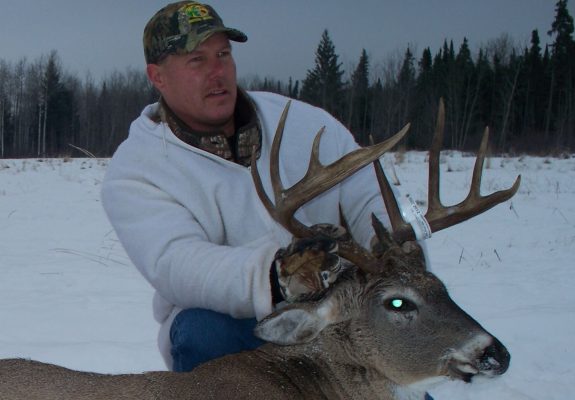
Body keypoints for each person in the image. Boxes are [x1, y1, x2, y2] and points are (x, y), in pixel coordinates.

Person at [102, 5, 429, 395]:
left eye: (223, 54)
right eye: (197, 60)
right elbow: (176, 263)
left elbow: (367, 193)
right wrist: (276, 277)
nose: (217, 72)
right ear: (158, 77)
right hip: (234, 330)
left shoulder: (305, 122)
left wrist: (393, 247)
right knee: (199, 332)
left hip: (334, 314)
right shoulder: (136, 169)